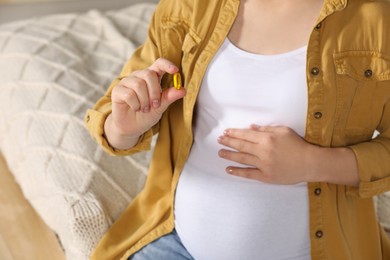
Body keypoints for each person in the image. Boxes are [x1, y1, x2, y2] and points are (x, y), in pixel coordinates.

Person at [85, 0, 390, 259]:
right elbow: (117, 120)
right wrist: (124, 127)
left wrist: (311, 163)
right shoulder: (190, 6)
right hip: (177, 244)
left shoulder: (376, 21)